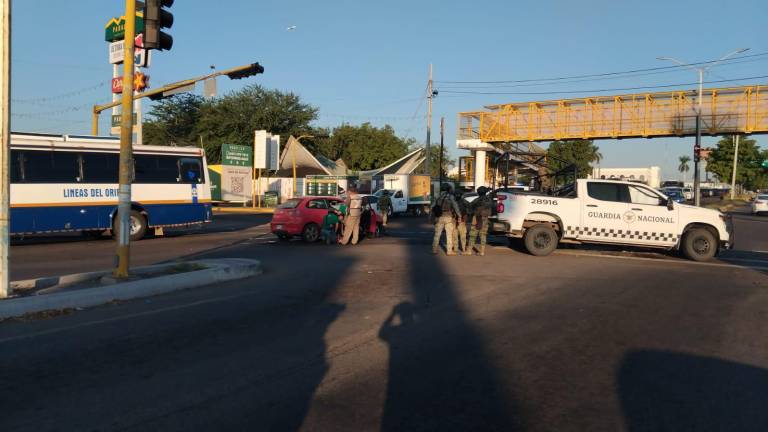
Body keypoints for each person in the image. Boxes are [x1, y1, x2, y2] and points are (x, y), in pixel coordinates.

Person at [431, 183, 460, 255]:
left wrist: (431, 216)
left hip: (439, 217)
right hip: (448, 217)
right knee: (449, 234)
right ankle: (449, 251)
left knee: (437, 234)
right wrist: (459, 215)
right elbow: (455, 206)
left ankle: (434, 250)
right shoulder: (451, 197)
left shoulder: (437, 196)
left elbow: (432, 206)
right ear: (448, 189)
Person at [465, 186, 493, 256]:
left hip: (476, 218)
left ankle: (469, 251)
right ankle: (482, 251)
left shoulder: (477, 200)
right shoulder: (489, 200)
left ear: (479, 192)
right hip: (485, 218)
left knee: (472, 235)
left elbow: (470, 206)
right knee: (483, 235)